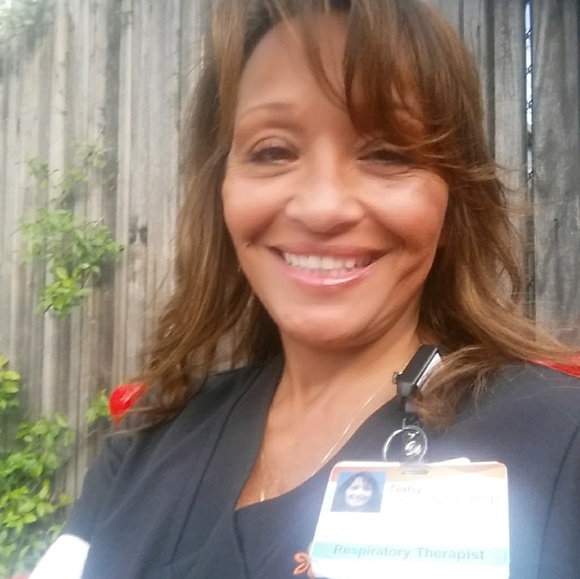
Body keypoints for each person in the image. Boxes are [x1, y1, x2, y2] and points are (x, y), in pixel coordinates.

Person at [30, 0, 580, 577]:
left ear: (453, 202)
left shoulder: (560, 442)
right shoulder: (144, 438)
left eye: (388, 153)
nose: (322, 208)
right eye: (272, 151)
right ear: (221, 191)